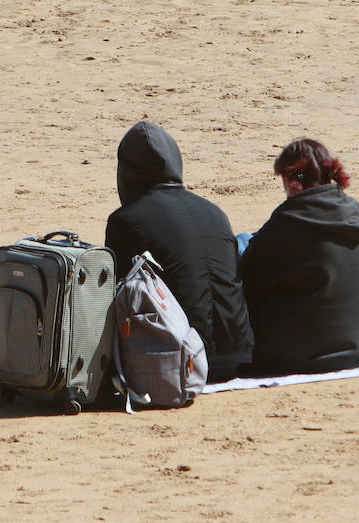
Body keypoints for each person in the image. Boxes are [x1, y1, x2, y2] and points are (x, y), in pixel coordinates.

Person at [105, 121, 254, 382]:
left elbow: (114, 297)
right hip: (235, 356)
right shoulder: (214, 212)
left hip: (180, 360)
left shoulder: (126, 220)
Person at [238, 138, 359, 375]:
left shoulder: (290, 219)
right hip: (357, 347)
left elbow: (249, 280)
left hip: (299, 355)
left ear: (292, 182)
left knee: (240, 243)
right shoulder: (354, 215)